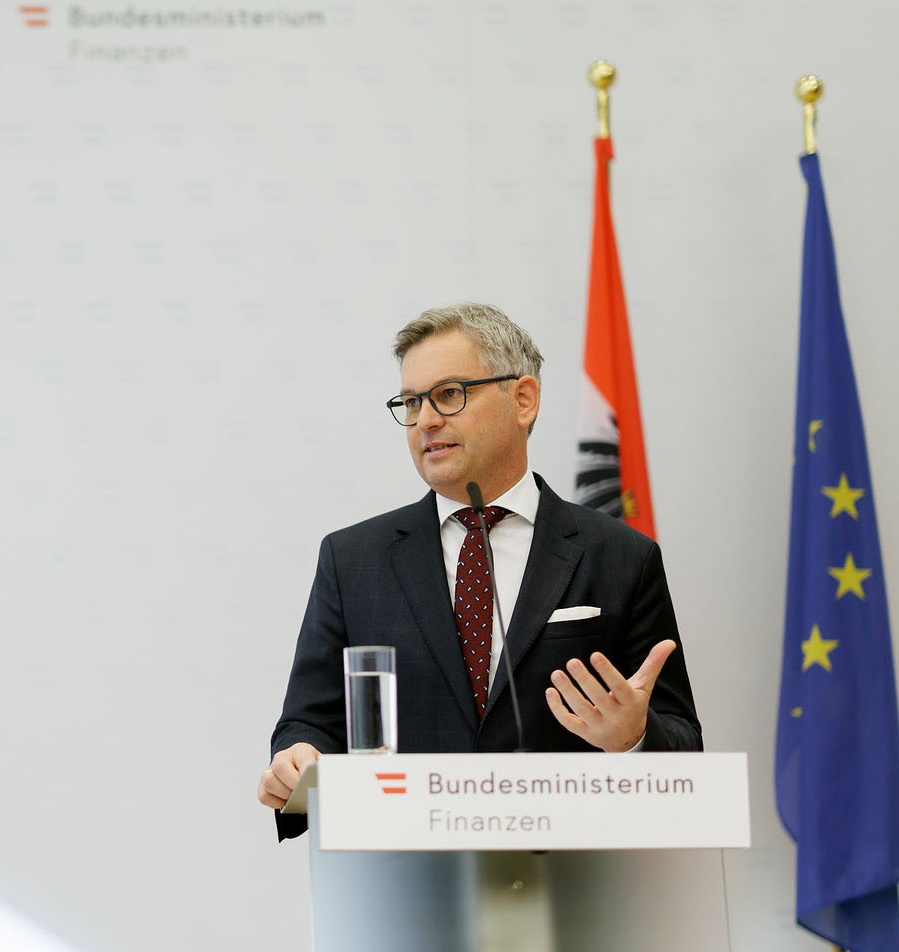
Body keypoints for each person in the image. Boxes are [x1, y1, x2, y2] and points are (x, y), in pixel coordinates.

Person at [257, 302, 698, 837]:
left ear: (524, 400)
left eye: (449, 395)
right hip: (406, 881)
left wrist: (634, 738)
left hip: (576, 879)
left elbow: (684, 748)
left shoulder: (622, 556)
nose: (425, 421)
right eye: (411, 402)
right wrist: (297, 761)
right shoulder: (352, 561)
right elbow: (308, 723)